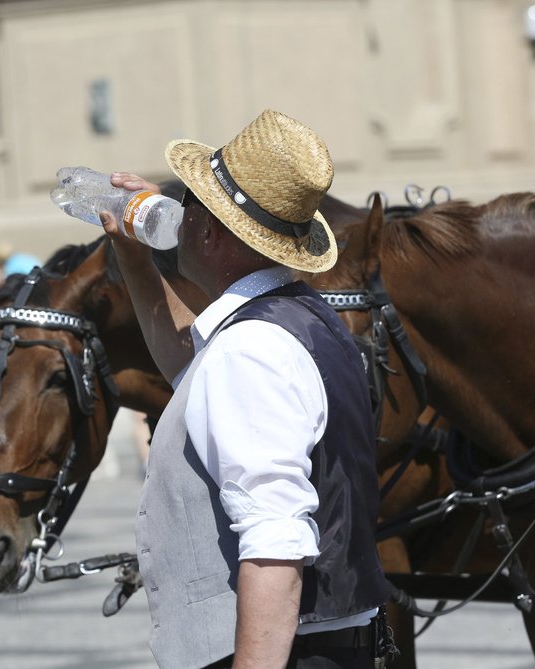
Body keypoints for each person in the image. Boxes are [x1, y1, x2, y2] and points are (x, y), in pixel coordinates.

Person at [99, 109, 392, 669]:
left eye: (187, 203)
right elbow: (192, 368)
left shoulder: (250, 349)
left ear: (209, 231)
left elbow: (275, 543)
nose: (176, 216)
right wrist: (134, 255)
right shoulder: (299, 320)